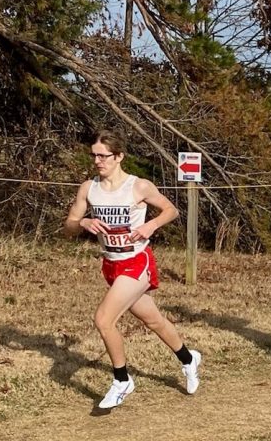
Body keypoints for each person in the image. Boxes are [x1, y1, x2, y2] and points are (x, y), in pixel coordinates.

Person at [64, 130, 201, 409]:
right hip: (111, 263)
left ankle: (122, 380)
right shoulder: (88, 188)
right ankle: (189, 359)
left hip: (137, 261)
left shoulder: (138, 186)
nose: (97, 161)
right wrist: (83, 224)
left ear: (119, 156)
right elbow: (68, 225)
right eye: (94, 155)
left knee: (103, 319)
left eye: (103, 156)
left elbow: (171, 210)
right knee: (153, 321)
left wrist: (150, 225)